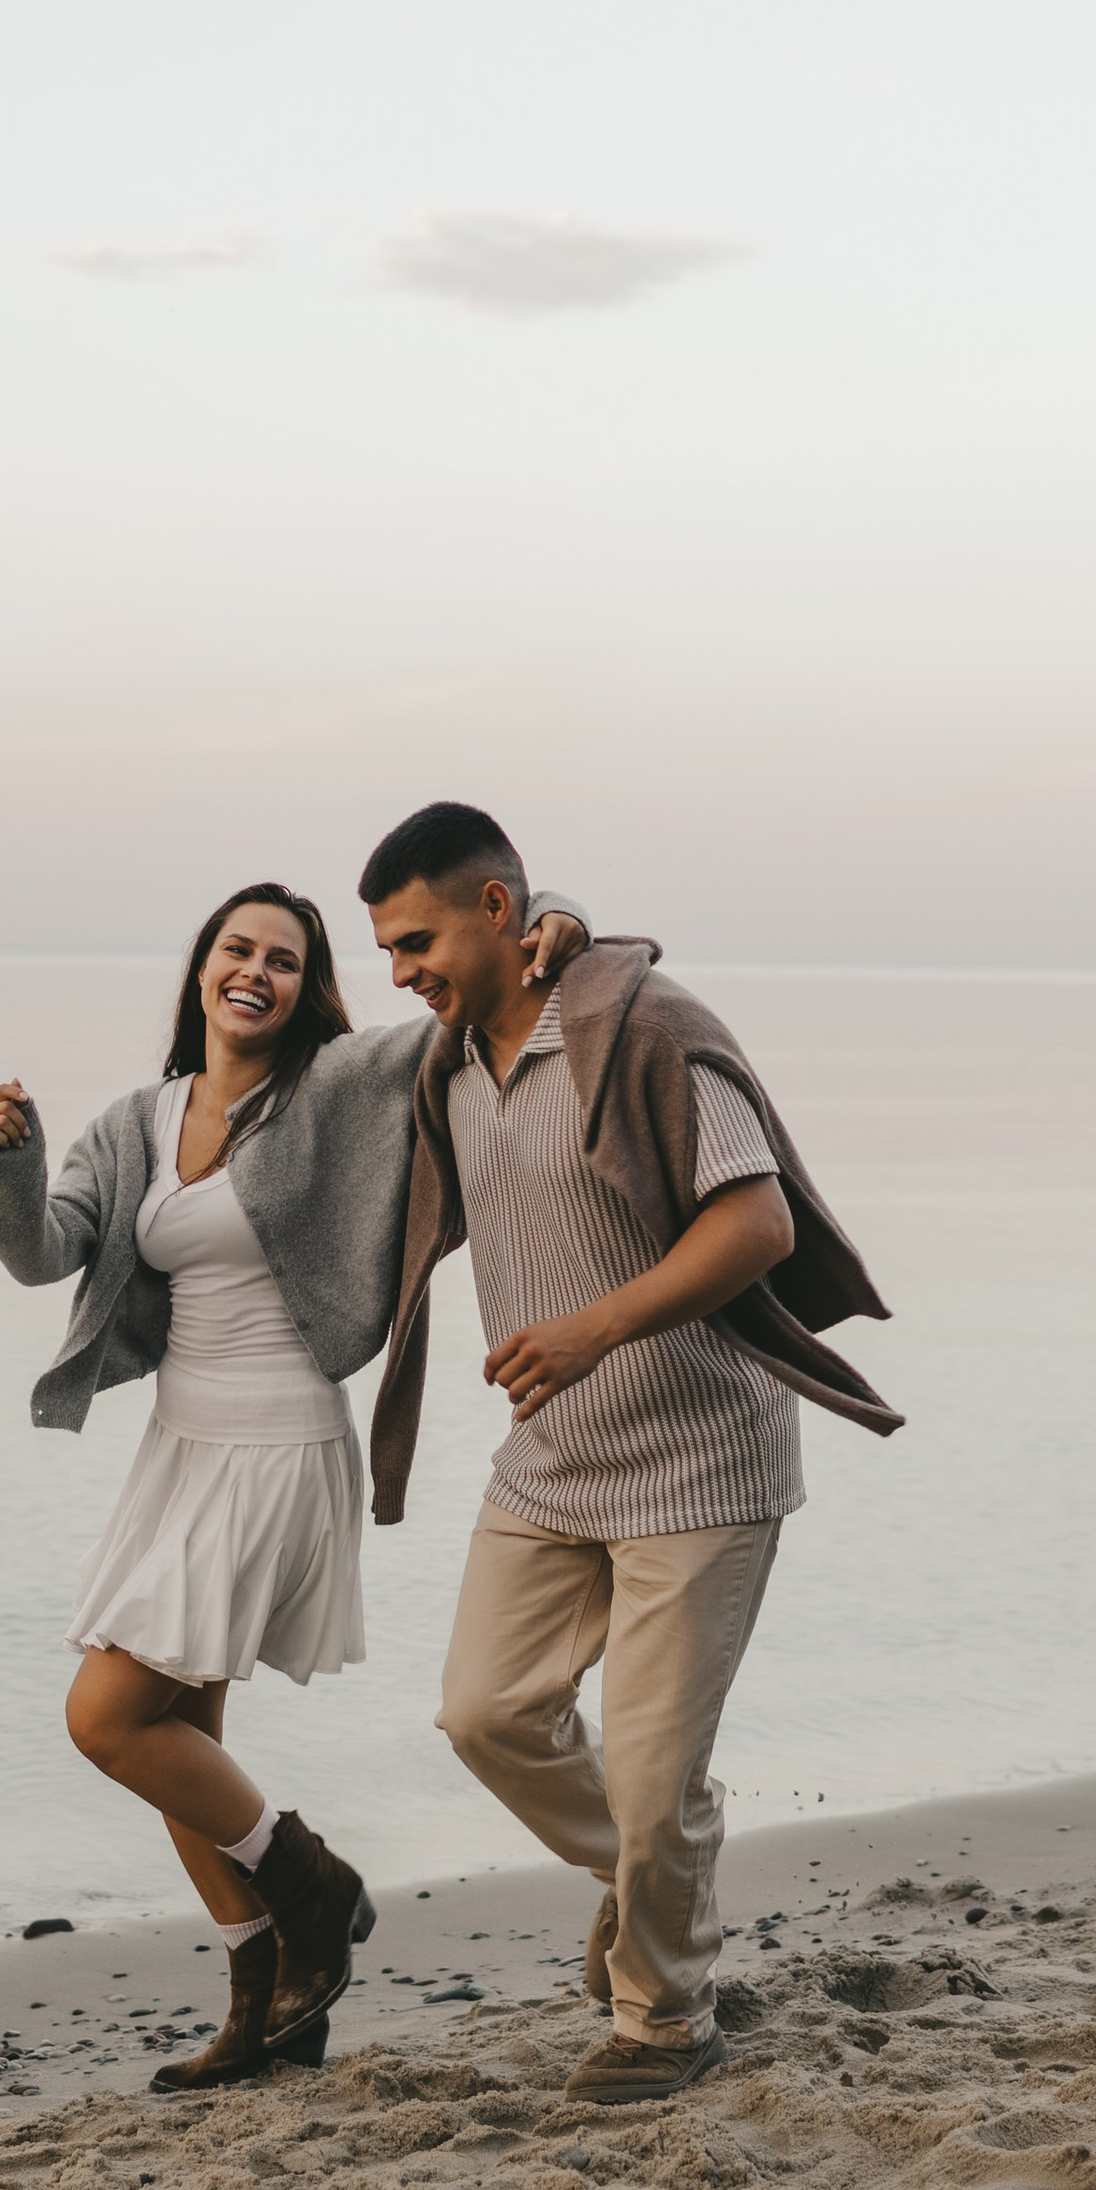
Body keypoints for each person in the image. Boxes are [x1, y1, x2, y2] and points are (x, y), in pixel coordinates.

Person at [0, 871, 587, 2093]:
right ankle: (271, 2006)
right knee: (175, 1737)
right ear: (203, 965)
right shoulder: (134, 1122)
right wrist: (10, 1158)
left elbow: (470, 1000)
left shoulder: (335, 1090)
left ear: (307, 992)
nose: (257, 972)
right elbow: (41, 1255)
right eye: (238, 950)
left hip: (278, 1442)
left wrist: (549, 920)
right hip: (181, 1449)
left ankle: (317, 1891)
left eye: (286, 961)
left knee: (104, 1719)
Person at [359, 801, 900, 2108]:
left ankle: (666, 2020)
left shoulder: (644, 1029)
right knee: (486, 1715)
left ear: (499, 911)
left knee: (658, 1786)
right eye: (382, 950)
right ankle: (646, 1882)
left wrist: (596, 1326)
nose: (400, 973)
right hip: (547, 1470)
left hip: (700, 1469)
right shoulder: (442, 1062)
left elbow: (758, 1222)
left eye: (417, 938)